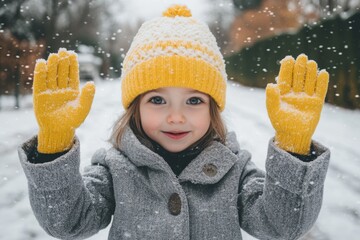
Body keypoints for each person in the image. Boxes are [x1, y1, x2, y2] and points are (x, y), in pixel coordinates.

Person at [18, 5, 330, 240]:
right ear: (134, 108)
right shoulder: (115, 168)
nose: (176, 116)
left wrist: (293, 145)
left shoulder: (234, 169)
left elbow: (282, 226)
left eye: (194, 101)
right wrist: (55, 142)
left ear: (213, 110)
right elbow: (67, 222)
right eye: (157, 100)